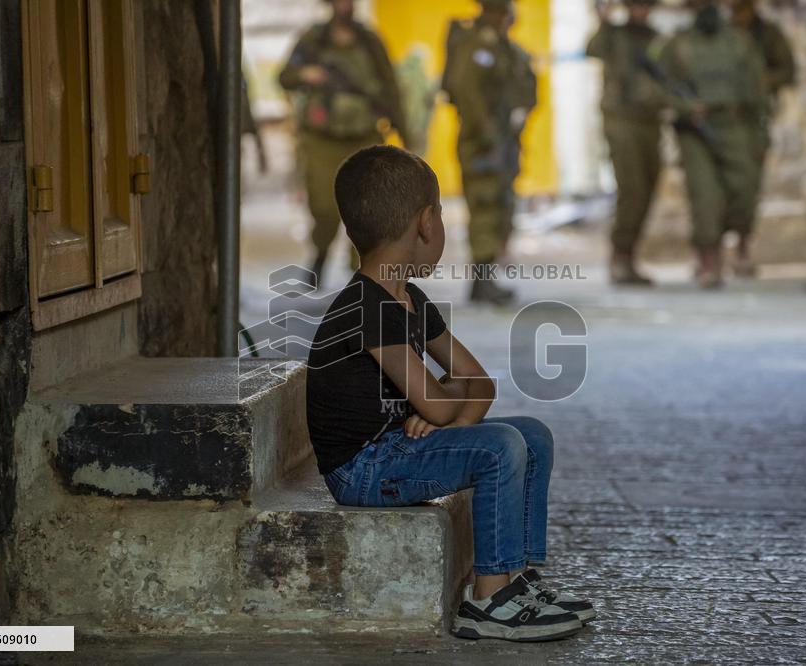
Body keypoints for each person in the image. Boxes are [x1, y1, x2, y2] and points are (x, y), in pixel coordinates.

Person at [306, 145, 595, 641]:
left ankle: (518, 580)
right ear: (426, 223)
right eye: (440, 215)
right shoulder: (367, 308)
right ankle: (488, 601)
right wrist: (445, 409)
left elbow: (479, 382)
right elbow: (441, 401)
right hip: (363, 468)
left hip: (397, 447)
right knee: (499, 447)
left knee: (532, 435)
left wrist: (453, 420)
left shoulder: (411, 299)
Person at [279, 0, 407, 287]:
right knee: (324, 207)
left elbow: (390, 87)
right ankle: (320, 258)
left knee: (367, 208)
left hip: (364, 137)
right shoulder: (314, 39)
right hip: (322, 141)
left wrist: (405, 132)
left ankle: (362, 274)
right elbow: (285, 76)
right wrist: (305, 74)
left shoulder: (369, 41)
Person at [655, 0, 765, 288]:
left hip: (735, 125)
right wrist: (685, 106)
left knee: (744, 189)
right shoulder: (677, 45)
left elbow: (757, 89)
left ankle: (740, 246)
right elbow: (657, 85)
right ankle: (708, 261)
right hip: (695, 131)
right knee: (705, 197)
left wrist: (760, 135)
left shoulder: (739, 42)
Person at [442, 0, 536, 305]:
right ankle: (481, 282)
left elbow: (526, 86)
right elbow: (466, 91)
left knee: (501, 207)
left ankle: (487, 277)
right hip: (481, 141)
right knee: (485, 206)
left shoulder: (507, 48)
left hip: (504, 140)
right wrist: (487, 133)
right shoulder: (477, 45)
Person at [586, 0, 664, 286]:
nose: (640, 11)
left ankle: (629, 256)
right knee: (631, 188)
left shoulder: (655, 39)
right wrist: (603, 18)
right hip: (621, 122)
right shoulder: (613, 35)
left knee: (647, 188)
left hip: (650, 121)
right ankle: (620, 255)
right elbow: (592, 49)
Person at [730, 0, 796, 276]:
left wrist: (761, 81)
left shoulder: (768, 34)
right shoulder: (719, 31)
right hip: (719, 120)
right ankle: (709, 254)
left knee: (748, 186)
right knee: (712, 190)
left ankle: (742, 247)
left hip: (752, 120)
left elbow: (788, 71)